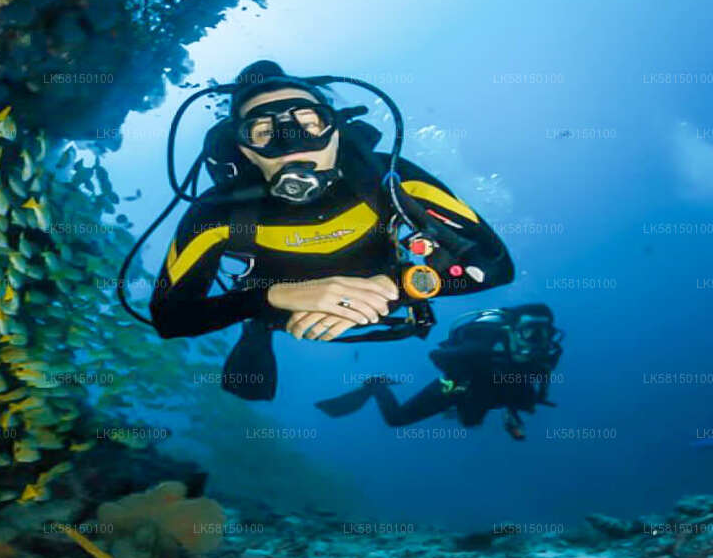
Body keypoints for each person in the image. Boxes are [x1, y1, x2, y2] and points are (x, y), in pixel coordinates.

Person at [145, 61, 514, 399]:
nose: (291, 141)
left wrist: (394, 286)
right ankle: (258, 329)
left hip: (386, 291)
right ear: (245, 151)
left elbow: (496, 266)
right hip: (280, 311)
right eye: (262, 130)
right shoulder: (217, 212)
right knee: (259, 325)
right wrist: (269, 298)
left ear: (335, 129)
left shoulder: (389, 179)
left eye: (308, 123)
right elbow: (171, 318)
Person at [315, 304, 564, 440]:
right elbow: (437, 355)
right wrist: (464, 376)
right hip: (459, 386)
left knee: (487, 416)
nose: (539, 341)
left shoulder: (544, 356)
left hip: (494, 391)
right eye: (532, 332)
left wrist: (515, 409)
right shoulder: (480, 346)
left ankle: (504, 415)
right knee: (396, 419)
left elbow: (535, 387)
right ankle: (377, 385)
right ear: (511, 330)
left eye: (546, 334)